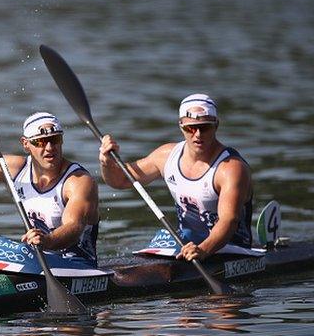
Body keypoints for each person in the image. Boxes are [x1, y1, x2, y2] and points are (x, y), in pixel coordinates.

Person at [98, 93, 252, 262]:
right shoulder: (166, 156)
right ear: (181, 126)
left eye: (205, 127)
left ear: (216, 125)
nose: (198, 135)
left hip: (229, 247)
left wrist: (203, 250)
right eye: (191, 128)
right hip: (186, 244)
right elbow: (119, 180)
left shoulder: (231, 168)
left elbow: (229, 220)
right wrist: (107, 162)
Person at [0, 109, 100, 265]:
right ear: (26, 144)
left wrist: (48, 241)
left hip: (77, 264)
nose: (50, 147)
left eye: (55, 139)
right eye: (40, 142)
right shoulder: (15, 169)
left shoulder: (79, 181)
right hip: (38, 261)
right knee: (1, 247)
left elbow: (74, 226)